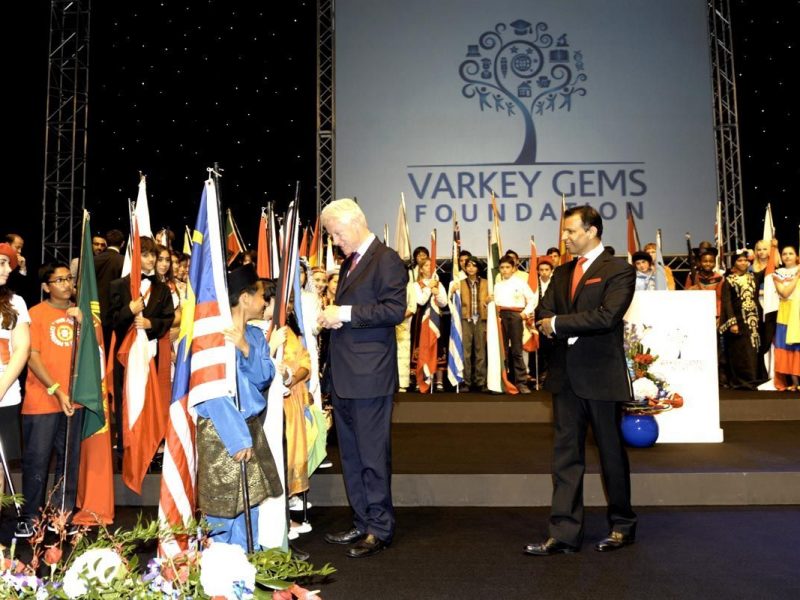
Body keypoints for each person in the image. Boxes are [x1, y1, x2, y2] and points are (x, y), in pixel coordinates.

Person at [529, 205, 637, 555]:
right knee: (565, 457)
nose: (565, 237)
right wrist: (552, 321)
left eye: (571, 231)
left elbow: (607, 316)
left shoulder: (619, 270)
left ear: (591, 231)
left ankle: (622, 525)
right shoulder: (561, 274)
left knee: (611, 454)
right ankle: (563, 533)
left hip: (601, 377)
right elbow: (542, 312)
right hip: (565, 379)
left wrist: (559, 324)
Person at [317, 198, 406, 558]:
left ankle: (380, 527)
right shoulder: (351, 263)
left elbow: (395, 310)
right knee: (351, 457)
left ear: (355, 224)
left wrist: (346, 313)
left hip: (370, 377)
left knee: (372, 455)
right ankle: (361, 520)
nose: (335, 241)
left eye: (337, 234)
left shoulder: (387, 260)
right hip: (345, 376)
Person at [196, 266, 285, 550]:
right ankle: (218, 573)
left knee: (250, 504)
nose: (265, 303)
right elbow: (212, 392)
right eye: (261, 295)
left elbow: (263, 378)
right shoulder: (212, 337)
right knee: (222, 506)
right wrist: (237, 438)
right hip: (222, 433)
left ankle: (247, 567)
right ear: (245, 297)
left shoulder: (255, 336)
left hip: (249, 426)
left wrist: (246, 348)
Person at [17, 263, 84, 539]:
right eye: (59, 280)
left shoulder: (81, 316)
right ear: (46, 286)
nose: (67, 284)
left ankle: (61, 515)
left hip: (74, 402)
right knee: (37, 461)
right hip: (43, 400)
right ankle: (30, 517)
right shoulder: (35, 314)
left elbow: (95, 353)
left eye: (69, 278)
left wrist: (84, 325)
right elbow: (31, 356)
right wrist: (56, 389)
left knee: (68, 463)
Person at [108, 236, 175, 454]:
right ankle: (127, 446)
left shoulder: (163, 289)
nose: (150, 259)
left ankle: (151, 446)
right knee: (127, 397)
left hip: (151, 354)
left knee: (150, 399)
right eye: (145, 254)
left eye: (152, 255)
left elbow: (168, 318)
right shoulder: (118, 285)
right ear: (135, 257)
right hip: (125, 355)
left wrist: (150, 323)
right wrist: (129, 310)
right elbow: (111, 321)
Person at [0, 244, 31, 498]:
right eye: (2, 263)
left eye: (9, 264)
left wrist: (1, 387)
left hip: (6, 396)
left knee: (0, 467)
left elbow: (22, 348)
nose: (8, 269)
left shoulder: (15, 302)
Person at [719, 249, 767, 390]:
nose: (743, 262)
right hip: (739, 322)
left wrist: (773, 249)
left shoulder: (754, 277)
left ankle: (756, 379)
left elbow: (769, 269)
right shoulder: (729, 281)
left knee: (755, 349)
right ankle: (742, 381)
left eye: (745, 260)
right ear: (734, 263)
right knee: (741, 352)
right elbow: (727, 302)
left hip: (754, 322)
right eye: (740, 260)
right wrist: (732, 323)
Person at [493, 255, 536, 393]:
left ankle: (521, 382)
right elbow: (495, 303)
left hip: (516, 316)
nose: (504, 270)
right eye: (502, 267)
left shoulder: (520, 283)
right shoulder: (497, 285)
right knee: (502, 351)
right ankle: (503, 381)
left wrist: (525, 313)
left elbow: (533, 300)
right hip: (501, 316)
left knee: (517, 350)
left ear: (513, 268)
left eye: (507, 267)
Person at [459, 256, 488, 391]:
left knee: (480, 352)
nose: (471, 268)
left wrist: (489, 300)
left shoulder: (486, 283)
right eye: (468, 265)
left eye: (474, 265)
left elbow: (491, 300)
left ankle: (481, 381)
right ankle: (466, 381)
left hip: (481, 319)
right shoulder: (459, 284)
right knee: (466, 352)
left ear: (478, 268)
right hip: (466, 319)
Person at [772, 245, 799, 391]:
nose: (787, 256)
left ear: (796, 255)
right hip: (785, 314)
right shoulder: (778, 273)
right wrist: (797, 277)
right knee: (787, 347)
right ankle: (794, 382)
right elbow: (784, 293)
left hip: (799, 313)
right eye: (784, 254)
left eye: (791, 253)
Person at [94, 229, 126, 351]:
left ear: (106, 243)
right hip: (114, 313)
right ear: (122, 243)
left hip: (94, 310)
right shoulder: (124, 261)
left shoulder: (94, 260)